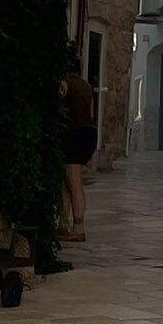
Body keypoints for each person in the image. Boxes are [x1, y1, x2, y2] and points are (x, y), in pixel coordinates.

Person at [60, 50, 98, 241]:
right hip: (89, 133)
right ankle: (62, 224)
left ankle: (78, 227)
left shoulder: (65, 85)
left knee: (73, 181)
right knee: (67, 181)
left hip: (75, 133)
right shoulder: (86, 86)